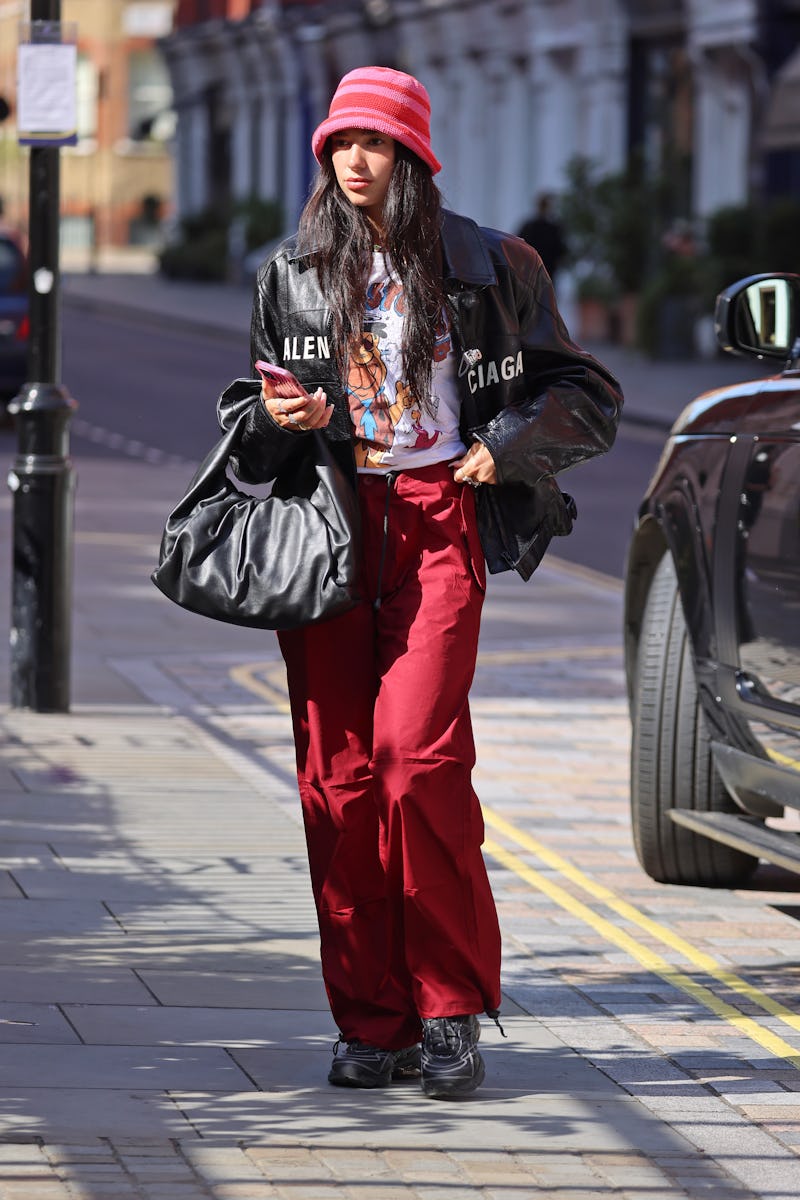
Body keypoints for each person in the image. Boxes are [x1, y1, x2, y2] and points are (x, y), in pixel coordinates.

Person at [217, 66, 623, 1099]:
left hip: (438, 524)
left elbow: (584, 389)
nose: (354, 161)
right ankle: (371, 1022)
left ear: (413, 157)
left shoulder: (493, 266)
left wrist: (513, 445)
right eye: (340, 144)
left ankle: (446, 1010)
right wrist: (280, 420)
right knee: (337, 785)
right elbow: (250, 435)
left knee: (414, 764)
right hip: (332, 529)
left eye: (376, 144)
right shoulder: (291, 273)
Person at [518, 192, 569, 281]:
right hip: (542, 271)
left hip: (535, 270)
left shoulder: (530, 226)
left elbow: (518, 244)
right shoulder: (553, 228)